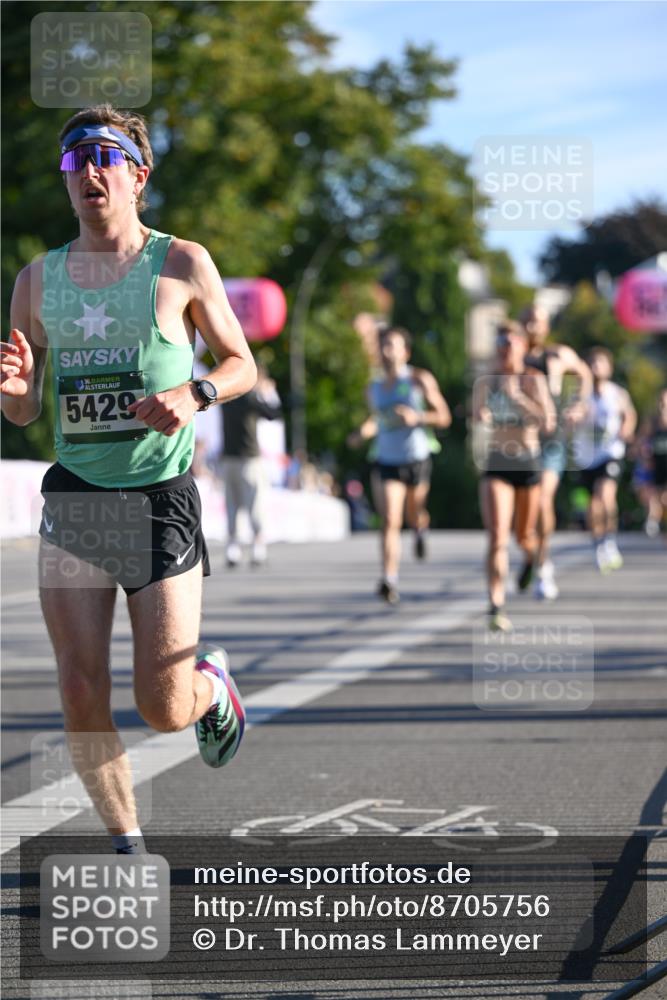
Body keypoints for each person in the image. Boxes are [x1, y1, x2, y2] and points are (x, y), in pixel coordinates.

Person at [0, 105, 257, 854]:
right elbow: (23, 412)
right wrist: (13, 387)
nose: (87, 170)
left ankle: (211, 690)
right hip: (78, 496)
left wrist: (196, 393)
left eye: (104, 156)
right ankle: (128, 843)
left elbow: (241, 364)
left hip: (157, 501)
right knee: (80, 688)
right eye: (73, 158)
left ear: (138, 176)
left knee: (163, 706)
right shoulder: (34, 282)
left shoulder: (180, 264)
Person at [349, 325, 451, 604]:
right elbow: (377, 419)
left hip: (416, 457)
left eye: (392, 345)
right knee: (390, 520)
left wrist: (417, 417)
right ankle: (389, 578)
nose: (386, 351)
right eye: (383, 345)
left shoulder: (419, 380)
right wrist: (362, 433)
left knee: (413, 513)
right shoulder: (373, 387)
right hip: (386, 458)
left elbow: (444, 416)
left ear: (405, 351)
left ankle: (420, 528)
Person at [474, 321, 556, 631]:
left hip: (527, 463)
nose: (505, 350)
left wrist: (518, 398)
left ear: (522, 346)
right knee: (497, 536)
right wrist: (480, 416)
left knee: (524, 536)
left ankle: (530, 561)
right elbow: (477, 413)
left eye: (510, 344)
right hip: (497, 462)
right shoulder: (486, 382)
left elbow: (547, 422)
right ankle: (495, 604)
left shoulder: (533, 379)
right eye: (500, 345)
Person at [519, 304, 592, 600]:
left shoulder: (557, 355)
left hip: (550, 441)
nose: (531, 327)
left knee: (543, 499)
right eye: (526, 320)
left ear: (547, 326)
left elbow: (584, 374)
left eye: (537, 321)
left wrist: (578, 404)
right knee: (521, 519)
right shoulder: (513, 357)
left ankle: (543, 564)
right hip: (518, 443)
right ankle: (530, 555)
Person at [575, 347, 637, 572]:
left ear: (609, 368)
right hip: (586, 457)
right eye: (591, 362)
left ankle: (609, 539)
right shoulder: (581, 394)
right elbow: (571, 418)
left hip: (610, 453)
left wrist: (626, 430)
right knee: (593, 504)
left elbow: (629, 414)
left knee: (606, 494)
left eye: (599, 362)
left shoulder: (617, 393)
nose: (595, 366)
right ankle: (597, 542)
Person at [221, 363, 282, 566]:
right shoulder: (250, 397)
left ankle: (233, 548)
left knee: (232, 507)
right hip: (249, 459)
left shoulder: (226, 397)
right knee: (254, 505)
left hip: (229, 457)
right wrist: (268, 392)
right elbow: (273, 413)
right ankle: (257, 546)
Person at [633, 387, 667, 537]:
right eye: (661, 401)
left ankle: (657, 519)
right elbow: (640, 442)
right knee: (651, 495)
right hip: (653, 465)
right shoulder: (651, 422)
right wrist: (643, 454)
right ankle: (653, 518)